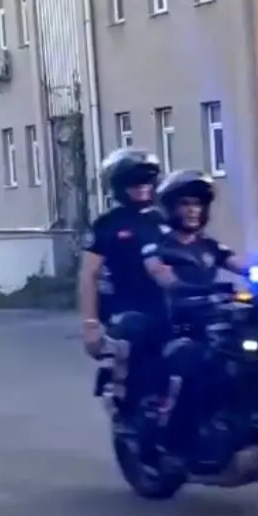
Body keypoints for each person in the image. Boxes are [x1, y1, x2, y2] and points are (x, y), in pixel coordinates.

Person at [152, 170, 245, 461]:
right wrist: (183, 286)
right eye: (186, 203)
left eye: (198, 204)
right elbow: (162, 275)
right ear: (172, 208)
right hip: (179, 324)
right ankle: (178, 440)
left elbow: (242, 265)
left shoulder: (209, 245)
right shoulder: (160, 246)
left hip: (214, 319)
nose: (193, 210)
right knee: (197, 363)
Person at [79, 148, 180, 407]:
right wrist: (90, 325)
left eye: (147, 180)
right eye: (134, 182)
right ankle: (126, 400)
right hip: (126, 306)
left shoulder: (166, 218)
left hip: (168, 304)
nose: (142, 187)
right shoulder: (107, 224)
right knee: (135, 340)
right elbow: (89, 275)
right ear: (118, 186)